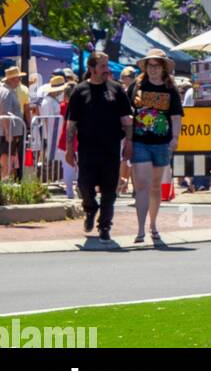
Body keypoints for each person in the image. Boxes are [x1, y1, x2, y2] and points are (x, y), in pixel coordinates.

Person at [65, 53, 133, 243]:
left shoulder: (117, 89)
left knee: (109, 191)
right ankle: (90, 208)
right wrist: (69, 150)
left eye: (107, 66)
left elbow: (127, 120)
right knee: (84, 185)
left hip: (111, 149)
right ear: (92, 68)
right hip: (87, 149)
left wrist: (129, 142)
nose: (107, 70)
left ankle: (104, 226)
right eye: (103, 66)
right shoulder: (80, 91)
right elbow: (72, 123)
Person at [129, 52, 183, 244]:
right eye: (150, 65)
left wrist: (175, 138)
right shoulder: (136, 86)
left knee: (154, 186)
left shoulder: (171, 90)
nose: (153, 69)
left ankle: (153, 225)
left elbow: (176, 116)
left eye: (156, 66)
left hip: (161, 143)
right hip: (140, 141)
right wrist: (125, 139)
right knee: (141, 185)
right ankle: (140, 229)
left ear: (163, 68)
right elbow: (127, 113)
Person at [0, 65, 28, 181]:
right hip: (6, 133)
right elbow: (4, 112)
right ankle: (4, 184)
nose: (19, 81)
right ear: (12, 79)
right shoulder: (6, 92)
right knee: (6, 160)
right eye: (18, 78)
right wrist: (7, 133)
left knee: (7, 159)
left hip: (8, 132)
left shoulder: (7, 90)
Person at [116, 67, 138, 196]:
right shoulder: (128, 90)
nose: (123, 81)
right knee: (128, 159)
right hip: (127, 130)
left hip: (129, 130)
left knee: (127, 159)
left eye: (124, 78)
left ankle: (124, 186)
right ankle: (125, 186)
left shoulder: (131, 90)